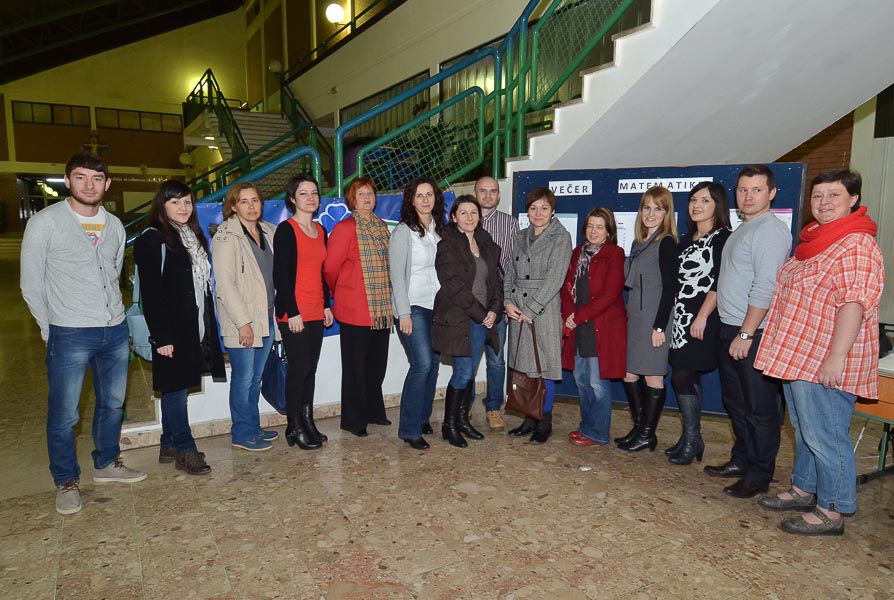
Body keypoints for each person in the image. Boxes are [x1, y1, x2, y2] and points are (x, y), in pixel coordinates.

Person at [754, 170, 884, 536]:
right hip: (798, 355)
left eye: (834, 195)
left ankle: (832, 510)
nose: (824, 202)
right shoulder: (814, 240)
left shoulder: (856, 244)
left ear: (853, 199)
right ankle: (804, 488)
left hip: (823, 358)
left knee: (826, 435)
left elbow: (854, 304)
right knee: (805, 430)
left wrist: (836, 358)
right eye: (818, 196)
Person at [21, 153, 146, 515]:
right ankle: (65, 480)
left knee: (113, 404)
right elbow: (31, 284)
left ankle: (106, 463)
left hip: (114, 330)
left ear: (107, 184)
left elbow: (112, 274)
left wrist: (117, 321)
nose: (89, 185)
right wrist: (49, 328)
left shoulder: (115, 225)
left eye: (97, 178)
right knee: (64, 414)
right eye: (81, 177)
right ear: (67, 181)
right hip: (69, 331)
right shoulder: (45, 223)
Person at [705, 164, 791, 499]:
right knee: (737, 403)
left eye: (757, 190)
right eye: (743, 190)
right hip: (732, 328)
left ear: (772, 193)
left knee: (759, 409)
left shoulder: (769, 231)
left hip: (752, 334)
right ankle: (742, 460)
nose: (749, 196)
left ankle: (758, 475)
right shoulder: (745, 228)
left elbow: (765, 287)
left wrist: (746, 333)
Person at [134, 180, 225, 476]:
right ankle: (185, 449)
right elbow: (151, 293)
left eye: (187, 202)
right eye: (175, 202)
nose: (183, 207)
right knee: (175, 389)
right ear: (162, 205)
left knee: (178, 387)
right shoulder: (152, 239)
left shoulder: (190, 236)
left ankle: (169, 443)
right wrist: (161, 337)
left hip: (192, 326)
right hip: (170, 330)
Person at [666, 182, 732, 465]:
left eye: (705, 200)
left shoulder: (723, 238)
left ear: (718, 205)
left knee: (682, 376)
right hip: (681, 318)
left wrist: (702, 316)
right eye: (693, 200)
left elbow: (719, 281)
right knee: (685, 376)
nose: (697, 205)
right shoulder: (686, 239)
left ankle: (693, 440)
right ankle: (690, 437)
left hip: (704, 317)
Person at [432, 195, 504, 448]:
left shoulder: (487, 244)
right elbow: (453, 286)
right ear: (454, 217)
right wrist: (481, 313)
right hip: (460, 320)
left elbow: (496, 283)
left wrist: (494, 310)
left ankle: (462, 420)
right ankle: (449, 426)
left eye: (474, 212)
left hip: (482, 320)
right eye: (463, 213)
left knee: (469, 373)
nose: (469, 217)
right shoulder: (447, 245)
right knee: (462, 374)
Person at [211, 182, 279, 452]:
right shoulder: (226, 237)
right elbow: (225, 285)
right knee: (243, 378)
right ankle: (242, 432)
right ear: (233, 206)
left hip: (266, 317)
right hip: (243, 322)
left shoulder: (269, 231)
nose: (251, 206)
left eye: (255, 200)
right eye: (244, 201)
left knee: (255, 378)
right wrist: (244, 323)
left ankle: (253, 426)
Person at [323, 177, 392, 438]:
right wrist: (341, 290)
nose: (367, 199)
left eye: (370, 194)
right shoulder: (345, 228)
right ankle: (354, 420)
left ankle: (374, 411)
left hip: (382, 307)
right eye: (361, 194)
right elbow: (330, 268)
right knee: (356, 367)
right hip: (355, 308)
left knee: (377, 364)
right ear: (352, 199)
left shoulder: (382, 226)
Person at [505, 186, 573, 444]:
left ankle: (544, 421)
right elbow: (509, 272)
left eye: (544, 208)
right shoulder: (520, 236)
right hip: (517, 309)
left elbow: (556, 278)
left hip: (543, 310)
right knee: (524, 367)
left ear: (553, 211)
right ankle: (529, 417)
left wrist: (530, 309)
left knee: (544, 367)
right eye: (533, 208)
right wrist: (507, 302)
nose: (538, 213)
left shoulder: (561, 237)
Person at [273, 174, 334, 449]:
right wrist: (293, 312)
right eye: (303, 193)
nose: (310, 198)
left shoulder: (320, 230)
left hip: (315, 309)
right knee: (299, 369)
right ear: (292, 199)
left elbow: (321, 273)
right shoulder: (286, 230)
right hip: (294, 313)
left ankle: (307, 422)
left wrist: (326, 305)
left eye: (314, 193)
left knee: (310, 368)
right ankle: (294, 425)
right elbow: (281, 276)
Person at [617, 186, 679, 452]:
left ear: (667, 213)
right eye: (646, 207)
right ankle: (640, 426)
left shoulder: (666, 242)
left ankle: (646, 434)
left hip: (655, 320)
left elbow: (670, 288)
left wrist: (659, 326)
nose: (651, 214)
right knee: (629, 373)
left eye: (658, 208)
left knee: (653, 376)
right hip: (636, 317)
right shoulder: (638, 243)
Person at [560, 207, 626, 446]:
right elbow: (567, 287)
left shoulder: (615, 254)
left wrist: (578, 317)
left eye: (600, 227)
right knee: (581, 379)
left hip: (601, 327)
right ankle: (587, 427)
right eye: (590, 226)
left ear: (609, 231)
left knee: (597, 383)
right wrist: (570, 314)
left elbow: (610, 294)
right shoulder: (577, 253)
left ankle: (598, 433)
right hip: (579, 327)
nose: (594, 231)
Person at [390, 177, 446, 447]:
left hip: (437, 307)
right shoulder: (403, 232)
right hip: (412, 306)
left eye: (429, 194)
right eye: (419, 195)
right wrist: (403, 313)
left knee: (433, 364)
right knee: (422, 364)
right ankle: (410, 430)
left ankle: (423, 418)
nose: (425, 200)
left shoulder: (439, 229)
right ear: (411, 201)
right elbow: (396, 276)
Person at [474, 176, 519, 431]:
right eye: (483, 191)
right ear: (475, 193)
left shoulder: (510, 224)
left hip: (497, 303)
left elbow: (512, 267)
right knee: (467, 359)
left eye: (493, 191)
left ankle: (493, 407)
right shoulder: (464, 220)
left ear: (499, 195)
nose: (488, 195)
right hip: (469, 303)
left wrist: (508, 301)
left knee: (496, 360)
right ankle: (462, 406)